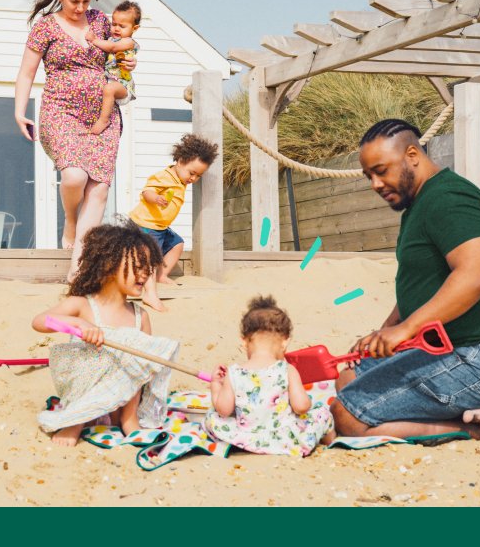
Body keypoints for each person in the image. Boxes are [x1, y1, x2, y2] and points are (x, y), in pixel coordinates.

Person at [330, 118, 480, 442]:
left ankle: (473, 428)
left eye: (381, 170)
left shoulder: (449, 198)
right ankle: (464, 411)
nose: (375, 184)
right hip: (448, 349)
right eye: (369, 175)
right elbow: (423, 287)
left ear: (412, 154)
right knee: (348, 379)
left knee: (348, 417)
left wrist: (406, 329)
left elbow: (476, 276)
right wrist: (385, 334)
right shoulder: (420, 204)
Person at [14, 0, 136, 282]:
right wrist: (19, 110)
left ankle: (78, 264)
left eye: (86, 1)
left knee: (98, 189)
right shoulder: (45, 28)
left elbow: (124, 45)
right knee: (74, 176)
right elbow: (27, 73)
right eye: (74, 2)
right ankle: (70, 220)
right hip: (61, 110)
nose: (81, 8)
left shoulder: (100, 21)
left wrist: (131, 59)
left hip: (102, 117)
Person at [31, 222, 181, 447]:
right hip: (85, 388)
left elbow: (144, 368)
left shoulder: (140, 316)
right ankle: (75, 422)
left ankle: (129, 421)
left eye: (148, 267)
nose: (145, 274)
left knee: (139, 358)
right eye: (138, 266)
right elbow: (40, 322)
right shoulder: (82, 305)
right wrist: (78, 323)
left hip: (120, 398)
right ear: (110, 265)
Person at [204, 295, 335, 456]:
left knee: (212, 416)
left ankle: (242, 445)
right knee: (322, 412)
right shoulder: (287, 369)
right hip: (285, 440)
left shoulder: (234, 372)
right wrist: (308, 402)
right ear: (285, 342)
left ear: (244, 341)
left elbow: (223, 410)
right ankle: (331, 441)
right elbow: (301, 406)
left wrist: (216, 385)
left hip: (246, 436)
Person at [128, 134, 219, 302]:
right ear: (180, 160)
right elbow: (147, 191)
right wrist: (155, 198)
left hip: (161, 227)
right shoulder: (165, 176)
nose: (193, 178)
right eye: (192, 173)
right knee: (150, 255)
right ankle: (146, 287)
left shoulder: (181, 181)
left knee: (177, 244)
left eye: (198, 176)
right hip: (145, 225)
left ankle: (161, 275)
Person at [86, 0, 142, 135]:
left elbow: (112, 48)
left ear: (134, 29)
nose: (116, 29)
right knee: (107, 89)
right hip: (112, 81)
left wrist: (94, 40)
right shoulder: (111, 39)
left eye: (122, 26)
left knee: (109, 89)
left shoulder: (128, 42)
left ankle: (104, 120)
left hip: (123, 84)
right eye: (114, 24)